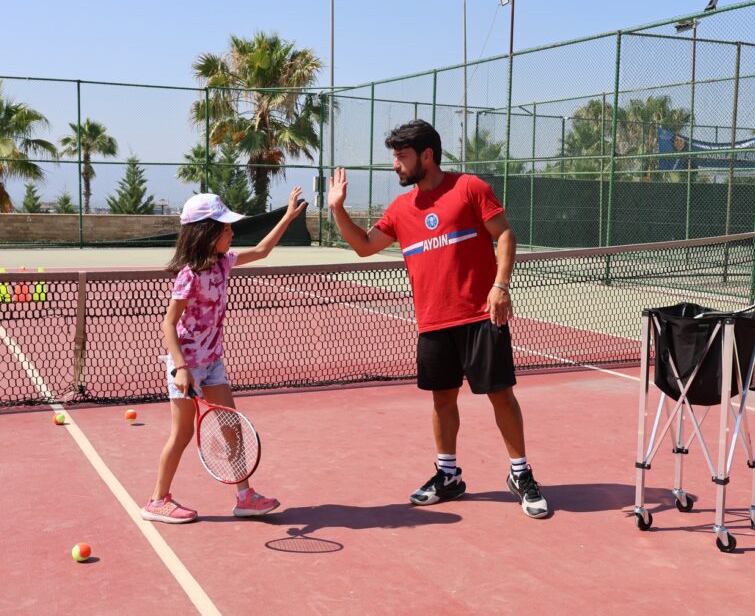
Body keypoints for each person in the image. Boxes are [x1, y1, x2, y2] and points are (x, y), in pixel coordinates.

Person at [328, 119, 549, 519]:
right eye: (394, 157)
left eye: (401, 157)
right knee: (442, 398)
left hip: (481, 315)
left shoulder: (469, 188)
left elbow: (504, 235)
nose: (395, 165)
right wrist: (337, 209)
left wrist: (500, 286)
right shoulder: (399, 210)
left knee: (500, 393)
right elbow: (363, 246)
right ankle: (448, 476)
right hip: (433, 322)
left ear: (426, 156)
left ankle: (521, 474)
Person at [142, 188, 307, 523]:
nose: (232, 231)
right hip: (186, 366)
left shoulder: (224, 262)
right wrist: (182, 368)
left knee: (232, 426)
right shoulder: (190, 274)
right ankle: (158, 500)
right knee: (183, 434)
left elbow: (261, 250)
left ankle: (245, 496)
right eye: (226, 227)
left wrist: (287, 218)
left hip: (213, 361)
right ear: (207, 232)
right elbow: (168, 324)